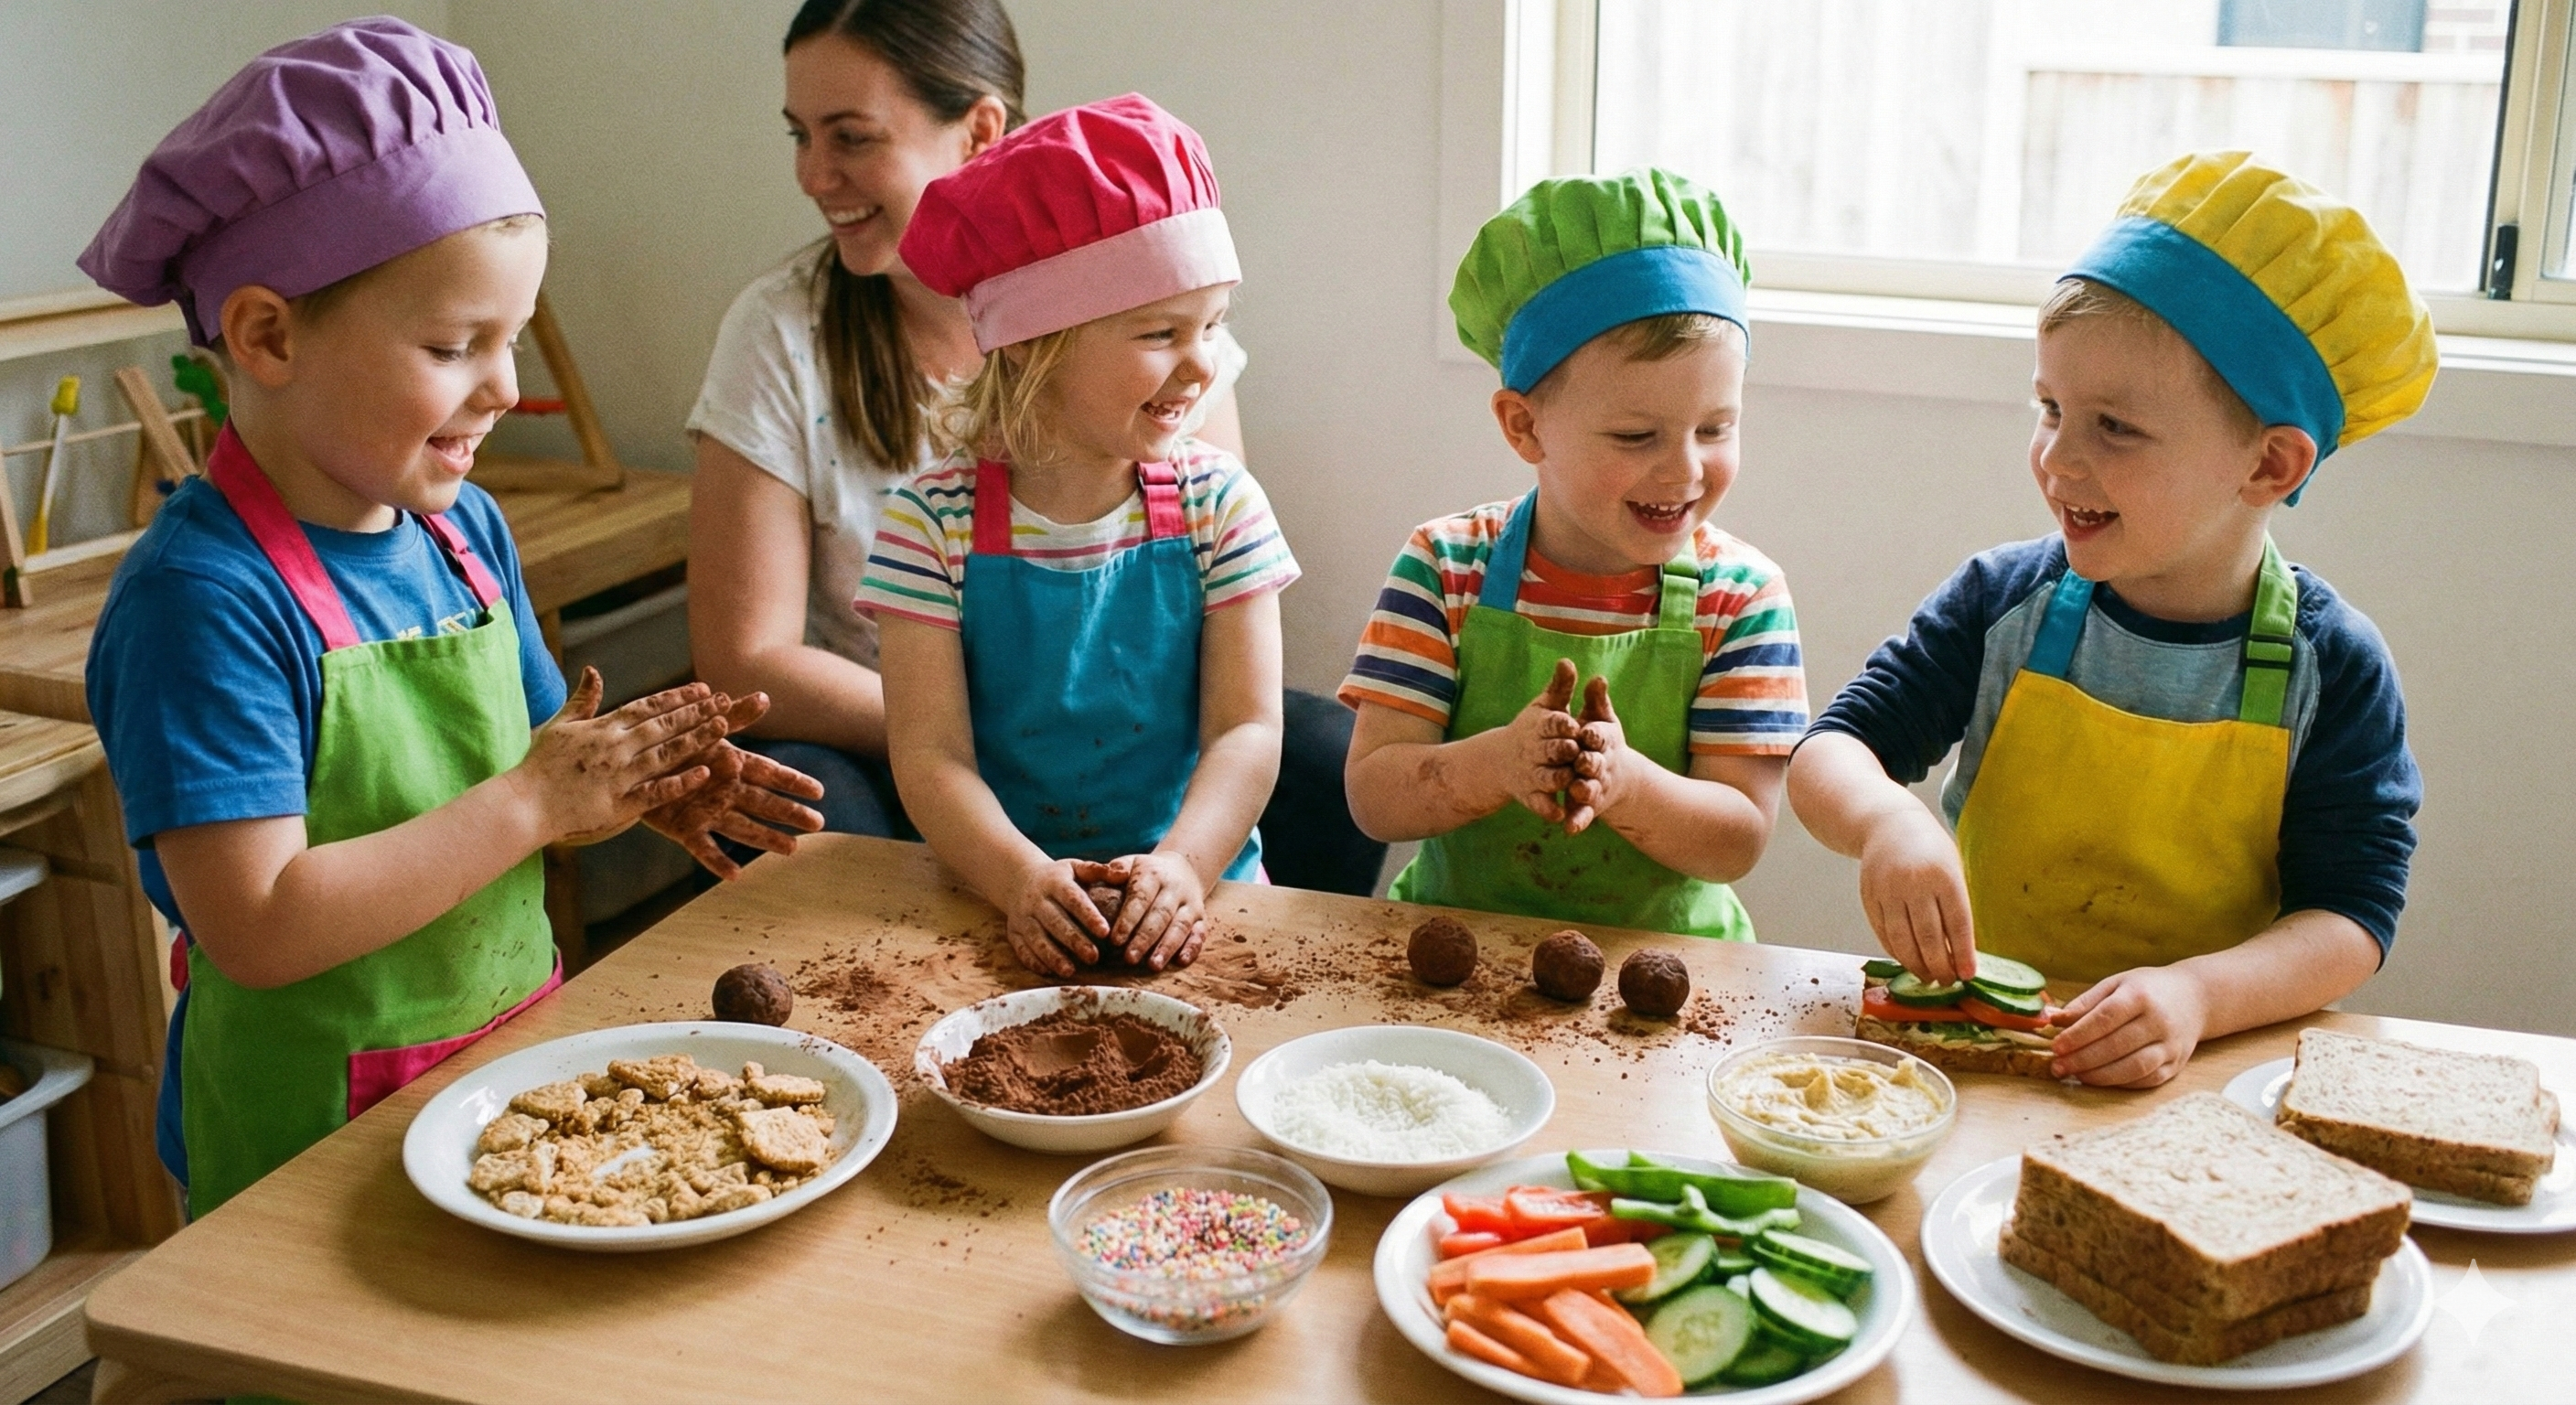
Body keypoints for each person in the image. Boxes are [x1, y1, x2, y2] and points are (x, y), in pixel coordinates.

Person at [76, 18, 821, 1215]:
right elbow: (259, 925)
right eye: (453, 345)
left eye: (509, 340)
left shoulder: (460, 531)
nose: (505, 387)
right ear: (267, 335)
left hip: (508, 1078)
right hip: (308, 1141)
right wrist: (535, 801)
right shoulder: (203, 601)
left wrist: (635, 785)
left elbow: (536, 767)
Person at [687, 0, 1382, 892]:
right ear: (1031, 353)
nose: (813, 175)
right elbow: (747, 657)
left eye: (852, 137)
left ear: (979, 128)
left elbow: (1220, 636)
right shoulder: (795, 346)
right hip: (901, 738)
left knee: (1330, 756)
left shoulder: (1162, 342)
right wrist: (983, 734)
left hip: (1139, 732)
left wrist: (1159, 832)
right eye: (800, 134)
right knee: (798, 811)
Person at [1787, 152, 2433, 1089]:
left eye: (2114, 427)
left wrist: (2198, 997)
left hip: (2200, 1069)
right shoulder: (2000, 603)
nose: (2057, 458)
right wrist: (1884, 820)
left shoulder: (2331, 667)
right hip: (1990, 1055)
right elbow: (1831, 750)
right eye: (2049, 407)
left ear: (2268, 465)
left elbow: (2351, 920)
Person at [860, 95, 1298, 978]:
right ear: (1032, 342)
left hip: (1196, 901)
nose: (1203, 364)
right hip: (993, 907)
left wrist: (1182, 868)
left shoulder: (1222, 508)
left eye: (1213, 324)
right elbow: (932, 757)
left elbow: (1246, 730)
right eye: (1160, 332)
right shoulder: (928, 527)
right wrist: (1018, 878)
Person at [1339, 171, 1809, 939]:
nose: (1685, 469)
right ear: (1524, 427)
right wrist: (1495, 764)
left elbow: (1738, 838)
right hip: (1457, 951)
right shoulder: (1445, 569)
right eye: (1636, 436)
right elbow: (1375, 797)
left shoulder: (1742, 598)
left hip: (1666, 966)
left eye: (1715, 428)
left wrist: (1628, 785)